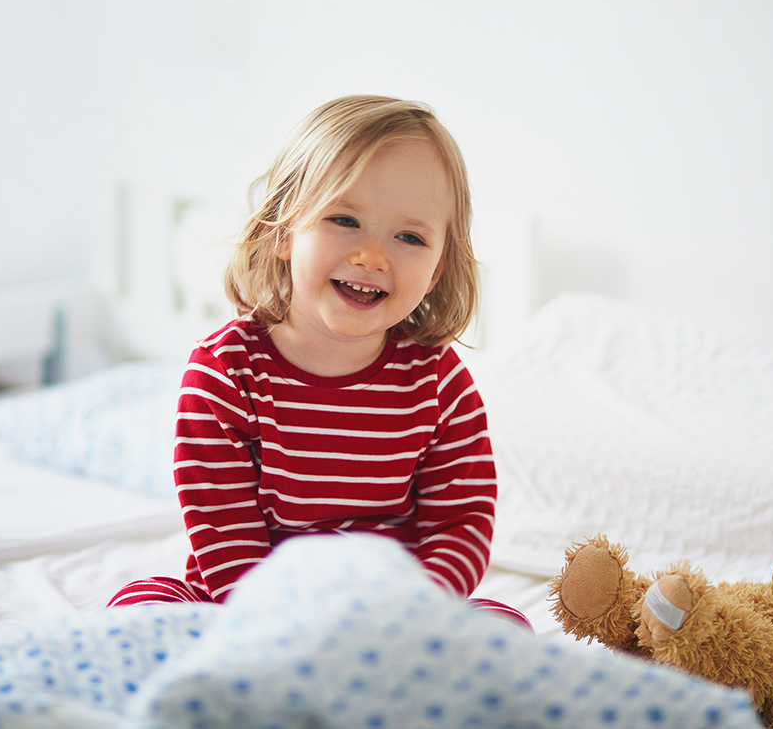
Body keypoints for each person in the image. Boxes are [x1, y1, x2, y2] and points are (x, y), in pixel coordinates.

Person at [108, 95, 529, 629]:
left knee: (504, 627)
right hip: (251, 604)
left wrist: (411, 611)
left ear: (438, 264)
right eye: (345, 219)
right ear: (284, 231)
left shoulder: (440, 384)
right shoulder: (225, 374)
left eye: (409, 236)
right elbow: (224, 536)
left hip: (394, 611)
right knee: (139, 610)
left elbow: (460, 524)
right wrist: (286, 626)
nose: (371, 256)